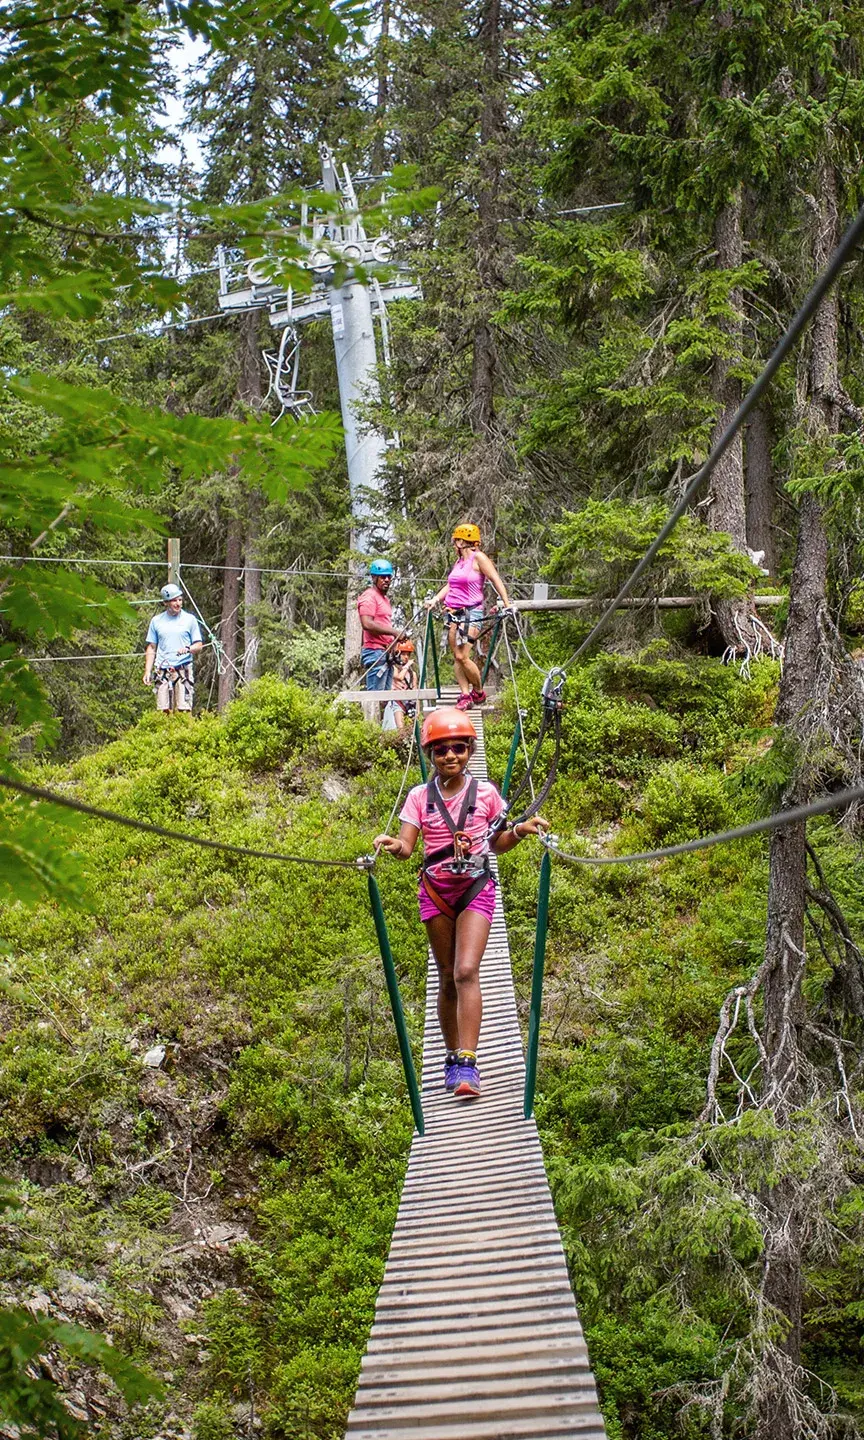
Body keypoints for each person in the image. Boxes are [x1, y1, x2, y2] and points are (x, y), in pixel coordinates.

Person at [373, 707, 548, 1099]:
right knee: (447, 973)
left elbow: (497, 843)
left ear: (469, 750)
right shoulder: (419, 797)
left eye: (458, 748)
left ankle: (468, 1064)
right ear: (430, 755)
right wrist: (393, 845)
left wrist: (520, 830)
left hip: (475, 887)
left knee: (466, 971)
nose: (450, 756)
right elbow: (408, 847)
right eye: (441, 750)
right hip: (436, 890)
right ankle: (451, 1057)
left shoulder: (485, 794)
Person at [426, 524, 511, 711]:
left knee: (463, 656)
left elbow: (495, 579)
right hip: (453, 613)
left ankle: (478, 691)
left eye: (456, 540)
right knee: (457, 657)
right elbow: (451, 585)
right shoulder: (459, 563)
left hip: (472, 612)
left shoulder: (478, 558)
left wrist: (506, 603)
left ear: (461, 541)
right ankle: (465, 695)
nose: (453, 544)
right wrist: (435, 599)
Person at [143, 584, 203, 714]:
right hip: (162, 671)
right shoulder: (156, 621)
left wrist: (188, 649)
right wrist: (147, 671)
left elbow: (198, 645)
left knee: (184, 710)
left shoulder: (190, 620)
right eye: (174, 600)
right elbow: (152, 647)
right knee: (163, 711)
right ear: (166, 603)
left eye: (180, 600)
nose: (178, 603)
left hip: (183, 670)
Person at [358, 559, 398, 692]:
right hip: (375, 652)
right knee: (375, 697)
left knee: (385, 699)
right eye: (383, 577)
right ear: (374, 578)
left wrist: (393, 642)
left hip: (385, 652)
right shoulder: (369, 597)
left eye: (389, 577)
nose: (386, 580)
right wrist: (394, 632)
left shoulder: (384, 599)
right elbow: (367, 623)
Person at [390, 639, 417, 732]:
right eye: (403, 654)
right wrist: (407, 666)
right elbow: (399, 678)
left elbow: (415, 690)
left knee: (412, 729)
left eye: (408, 655)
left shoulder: (412, 674)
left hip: (410, 703)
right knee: (401, 728)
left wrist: (417, 709)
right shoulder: (394, 669)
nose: (406, 657)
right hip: (398, 702)